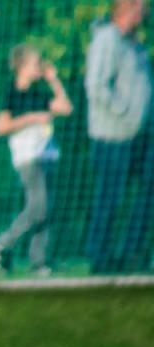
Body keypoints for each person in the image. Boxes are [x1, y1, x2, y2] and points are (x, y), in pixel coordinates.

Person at [0, 45, 72, 277]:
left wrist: (53, 80)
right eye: (35, 63)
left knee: (47, 209)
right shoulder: (11, 93)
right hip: (28, 158)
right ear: (21, 66)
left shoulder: (39, 93)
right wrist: (31, 118)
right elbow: (1, 127)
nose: (39, 67)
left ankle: (39, 261)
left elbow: (65, 107)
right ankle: (1, 245)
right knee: (38, 206)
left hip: (46, 155)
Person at [84, 0, 153, 274]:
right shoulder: (107, 39)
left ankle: (133, 252)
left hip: (139, 136)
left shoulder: (134, 43)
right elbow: (96, 86)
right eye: (143, 6)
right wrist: (126, 112)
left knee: (149, 187)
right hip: (112, 136)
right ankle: (99, 257)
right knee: (109, 197)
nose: (147, 11)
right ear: (129, 8)